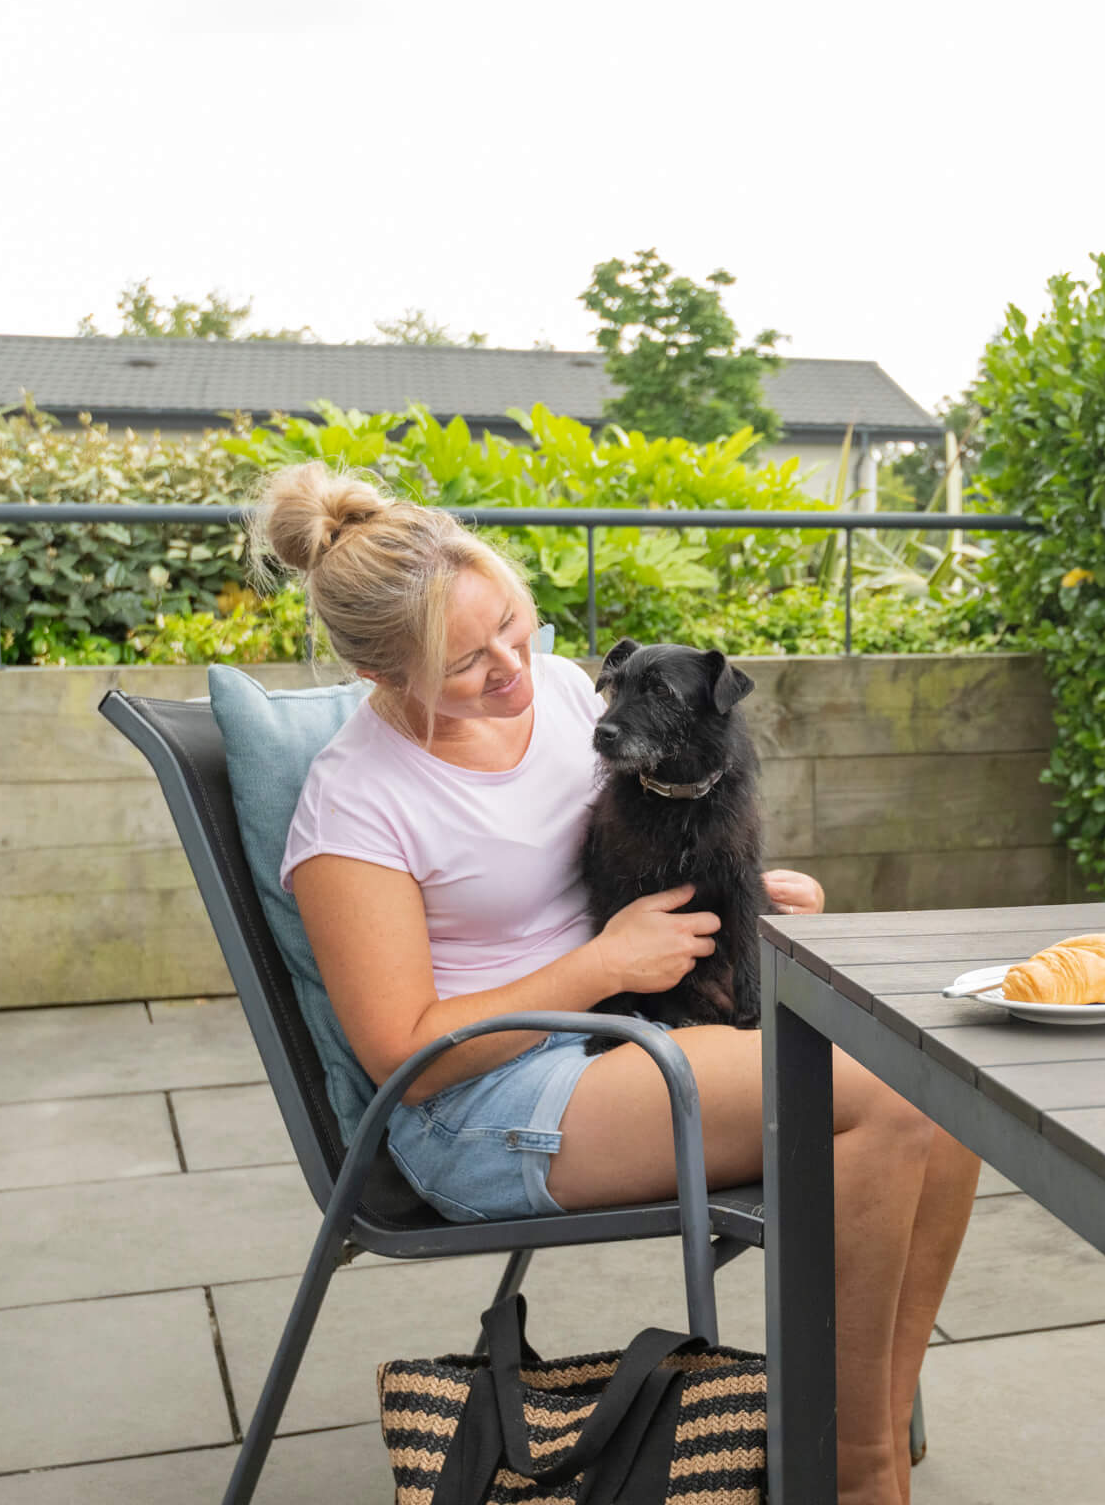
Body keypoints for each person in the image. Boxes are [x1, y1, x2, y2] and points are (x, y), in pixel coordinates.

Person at [254, 462, 976, 1504]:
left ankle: (849, 1438)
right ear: (384, 677)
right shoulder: (358, 805)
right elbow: (405, 1057)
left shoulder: (552, 694)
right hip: (487, 1100)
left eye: (513, 622)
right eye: (463, 663)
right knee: (886, 1099)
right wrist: (604, 966)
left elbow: (634, 843)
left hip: (621, 1027)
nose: (514, 667)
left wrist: (740, 898)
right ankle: (854, 1476)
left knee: (945, 1089)